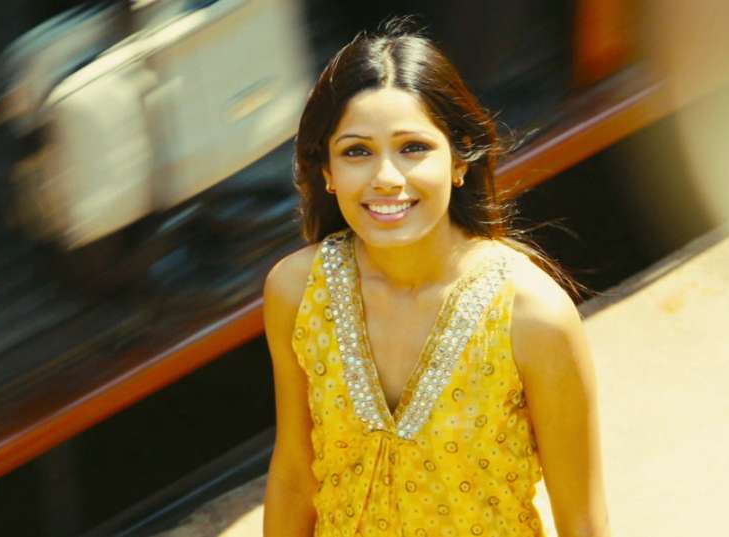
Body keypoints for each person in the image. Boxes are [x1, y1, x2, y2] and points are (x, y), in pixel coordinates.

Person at [261, 21, 609, 537]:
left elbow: (582, 522)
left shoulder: (534, 317)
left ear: (459, 159)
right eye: (357, 151)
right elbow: (294, 474)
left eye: (413, 147)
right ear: (327, 172)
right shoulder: (296, 293)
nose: (386, 178)